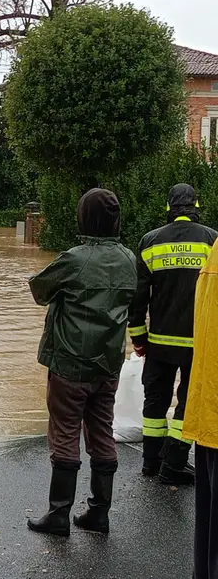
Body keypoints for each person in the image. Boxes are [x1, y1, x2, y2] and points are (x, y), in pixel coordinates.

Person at [27, 188, 137, 537]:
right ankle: (98, 513)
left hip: (70, 365)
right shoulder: (129, 259)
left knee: (64, 433)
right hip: (108, 365)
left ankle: (59, 514)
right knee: (102, 431)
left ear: (84, 218)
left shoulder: (75, 259)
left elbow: (39, 290)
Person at [128, 184, 218, 485]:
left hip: (159, 341)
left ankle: (151, 462)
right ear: (196, 206)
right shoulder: (212, 241)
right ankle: (175, 463)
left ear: (168, 207)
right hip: (199, 342)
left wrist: (138, 339)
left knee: (155, 401)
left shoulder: (150, 242)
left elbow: (138, 298)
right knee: (189, 402)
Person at [183, 239, 218, 579]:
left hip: (208, 407)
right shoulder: (208, 240)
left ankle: (161, 462)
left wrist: (139, 338)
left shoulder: (216, 250)